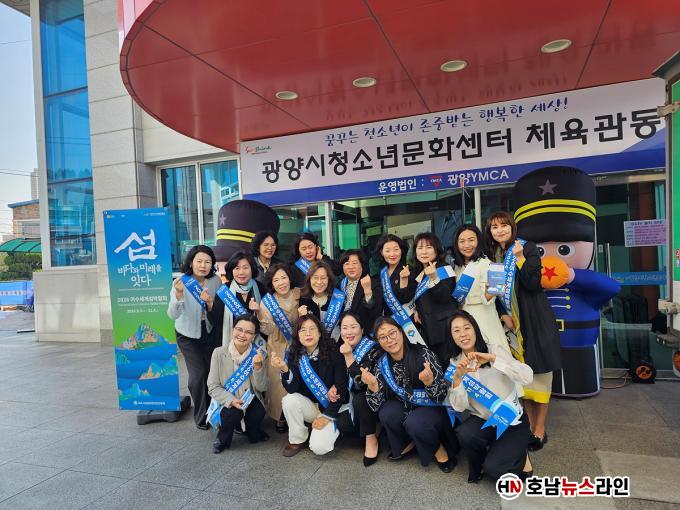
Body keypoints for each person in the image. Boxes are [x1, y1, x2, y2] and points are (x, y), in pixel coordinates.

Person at [485, 211, 561, 452]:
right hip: (512, 324)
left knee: (540, 375)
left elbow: (533, 283)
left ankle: (540, 430)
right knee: (521, 376)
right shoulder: (494, 255)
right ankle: (528, 425)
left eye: (503, 225)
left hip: (534, 319)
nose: (499, 230)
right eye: (494, 227)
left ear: (512, 227)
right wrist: (503, 314)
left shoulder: (526, 247)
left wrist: (519, 258)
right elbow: (496, 291)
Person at [447, 310, 534, 482]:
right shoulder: (455, 363)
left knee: (496, 470)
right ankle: (488, 457)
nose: (463, 334)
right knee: (465, 433)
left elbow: (527, 376)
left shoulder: (494, 350)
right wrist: (457, 379)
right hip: (484, 419)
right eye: (456, 330)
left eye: (467, 328)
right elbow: (459, 406)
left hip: (511, 418)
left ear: (475, 329)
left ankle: (521, 453)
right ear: (451, 336)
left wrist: (494, 359)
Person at [364, 317, 458, 472]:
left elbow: (441, 396)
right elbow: (375, 406)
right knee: (387, 413)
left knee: (415, 422)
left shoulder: (423, 354)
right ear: (379, 342)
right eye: (383, 337)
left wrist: (429, 382)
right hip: (405, 407)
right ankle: (410, 441)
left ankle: (439, 449)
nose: (389, 340)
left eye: (392, 333)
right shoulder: (382, 363)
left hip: (431, 408)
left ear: (401, 332)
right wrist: (373, 386)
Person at [271, 314, 351, 457]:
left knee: (319, 448)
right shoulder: (295, 354)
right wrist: (284, 369)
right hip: (311, 407)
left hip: (332, 408)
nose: (308, 333)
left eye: (312, 329)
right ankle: (297, 439)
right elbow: (292, 389)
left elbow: (341, 386)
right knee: (289, 400)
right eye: (302, 330)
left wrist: (327, 416)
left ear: (319, 332)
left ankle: (332, 428)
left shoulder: (334, 351)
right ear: (297, 335)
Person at [167, 245, 221, 429]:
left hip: (209, 332)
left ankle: (212, 410)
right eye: (199, 261)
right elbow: (172, 315)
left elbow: (218, 310)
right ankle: (201, 416)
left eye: (207, 262)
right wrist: (179, 295)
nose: (203, 265)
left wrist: (210, 303)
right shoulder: (181, 282)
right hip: (187, 334)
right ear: (191, 262)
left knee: (210, 373)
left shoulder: (215, 281)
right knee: (197, 375)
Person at [207, 314, 269, 453]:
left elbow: (262, 387)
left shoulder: (258, 354)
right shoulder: (219, 353)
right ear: (233, 330)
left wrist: (258, 367)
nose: (242, 335)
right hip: (228, 398)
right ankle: (222, 438)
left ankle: (252, 430)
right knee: (232, 413)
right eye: (239, 329)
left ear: (254, 336)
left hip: (250, 398)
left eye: (248, 332)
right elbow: (213, 386)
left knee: (259, 411)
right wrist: (231, 400)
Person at [251, 263, 301, 432]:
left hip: (300, 344)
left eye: (284, 278)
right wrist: (259, 313)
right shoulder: (267, 301)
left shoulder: (299, 293)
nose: (281, 282)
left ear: (290, 278)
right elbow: (268, 330)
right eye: (276, 280)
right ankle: (280, 417)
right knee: (278, 383)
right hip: (278, 345)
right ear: (271, 283)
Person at [452, 224, 511, 355]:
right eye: (462, 241)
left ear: (478, 241)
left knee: (492, 355)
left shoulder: (486, 263)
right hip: (464, 317)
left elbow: (487, 298)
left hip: (484, 316)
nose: (467, 245)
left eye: (471, 240)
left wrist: (492, 290)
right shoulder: (457, 267)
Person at [338, 311, 383, 466]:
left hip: (374, 396)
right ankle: (371, 428)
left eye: (353, 327)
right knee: (344, 425)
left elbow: (362, 382)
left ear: (362, 329)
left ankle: (371, 438)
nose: (349, 332)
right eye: (344, 328)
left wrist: (349, 356)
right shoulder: (340, 347)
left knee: (361, 399)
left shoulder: (373, 348)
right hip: (350, 398)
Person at [412, 232, 459, 365]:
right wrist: (417, 309)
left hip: (444, 331)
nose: (424, 252)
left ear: (437, 249)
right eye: (420, 248)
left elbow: (445, 297)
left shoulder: (444, 268)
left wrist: (434, 277)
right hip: (429, 331)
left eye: (429, 247)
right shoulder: (419, 272)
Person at [208, 251, 266, 347]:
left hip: (254, 344)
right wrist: (209, 303)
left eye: (245, 268)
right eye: (237, 268)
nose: (241, 272)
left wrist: (259, 311)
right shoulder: (224, 290)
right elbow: (216, 321)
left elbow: (267, 320)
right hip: (230, 343)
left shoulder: (260, 288)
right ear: (231, 270)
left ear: (252, 269)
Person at [373, 234, 419, 342]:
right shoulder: (380, 275)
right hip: (389, 325)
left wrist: (404, 280)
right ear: (381, 252)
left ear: (401, 251)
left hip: (408, 321)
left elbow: (406, 298)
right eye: (387, 250)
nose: (392, 254)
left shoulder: (410, 271)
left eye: (396, 249)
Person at [338, 249, 382, 332]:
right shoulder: (339, 286)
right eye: (347, 264)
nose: (351, 267)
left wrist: (368, 292)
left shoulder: (373, 283)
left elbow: (376, 313)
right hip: (345, 334)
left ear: (362, 265)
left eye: (355, 263)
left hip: (366, 333)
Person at [298, 261, 343, 340]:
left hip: (334, 344)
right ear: (309, 279)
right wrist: (301, 318)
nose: (319, 282)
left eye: (323, 278)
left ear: (328, 279)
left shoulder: (338, 299)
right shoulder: (303, 299)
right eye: (315, 278)